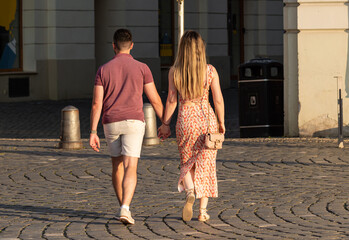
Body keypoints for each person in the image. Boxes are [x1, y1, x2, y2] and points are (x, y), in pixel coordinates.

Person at [90, 29, 164, 225]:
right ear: (131, 45)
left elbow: (97, 103)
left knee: (117, 165)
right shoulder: (142, 68)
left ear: (114, 46)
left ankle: (122, 206)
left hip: (111, 122)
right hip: (134, 121)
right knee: (131, 165)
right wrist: (165, 122)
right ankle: (125, 207)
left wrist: (92, 131)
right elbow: (154, 98)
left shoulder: (103, 70)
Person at [158, 30, 225, 222]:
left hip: (186, 118)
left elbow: (171, 100)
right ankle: (202, 211)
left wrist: (165, 124)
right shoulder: (210, 70)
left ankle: (190, 191)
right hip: (206, 118)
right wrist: (221, 122)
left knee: (186, 160)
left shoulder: (175, 71)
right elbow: (218, 99)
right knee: (207, 164)